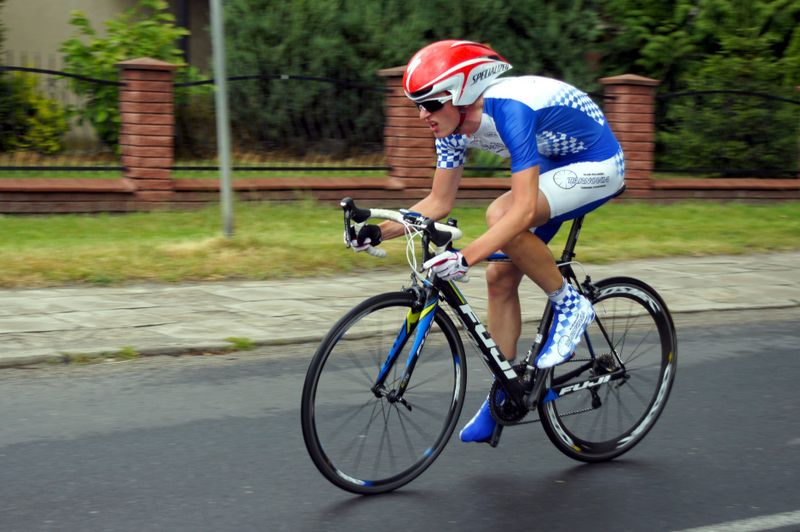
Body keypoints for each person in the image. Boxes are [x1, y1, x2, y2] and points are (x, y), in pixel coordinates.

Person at [347, 39, 625, 443]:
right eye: (417, 105)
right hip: (554, 165)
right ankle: (507, 391)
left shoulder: (510, 108)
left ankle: (571, 304)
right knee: (499, 278)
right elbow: (438, 203)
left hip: (597, 162)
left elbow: (525, 209)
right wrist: (381, 230)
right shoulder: (453, 127)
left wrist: (465, 256)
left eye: (430, 103)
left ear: (460, 94)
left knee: (501, 213)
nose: (423, 114)